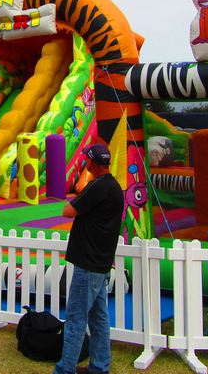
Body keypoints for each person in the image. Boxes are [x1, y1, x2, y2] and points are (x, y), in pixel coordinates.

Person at [53, 142, 123, 374]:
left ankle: (66, 369)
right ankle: (100, 366)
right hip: (100, 263)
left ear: (92, 162)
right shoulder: (114, 186)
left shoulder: (98, 186)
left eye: (87, 159)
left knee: (75, 318)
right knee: (98, 318)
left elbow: (68, 211)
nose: (85, 162)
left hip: (88, 264)